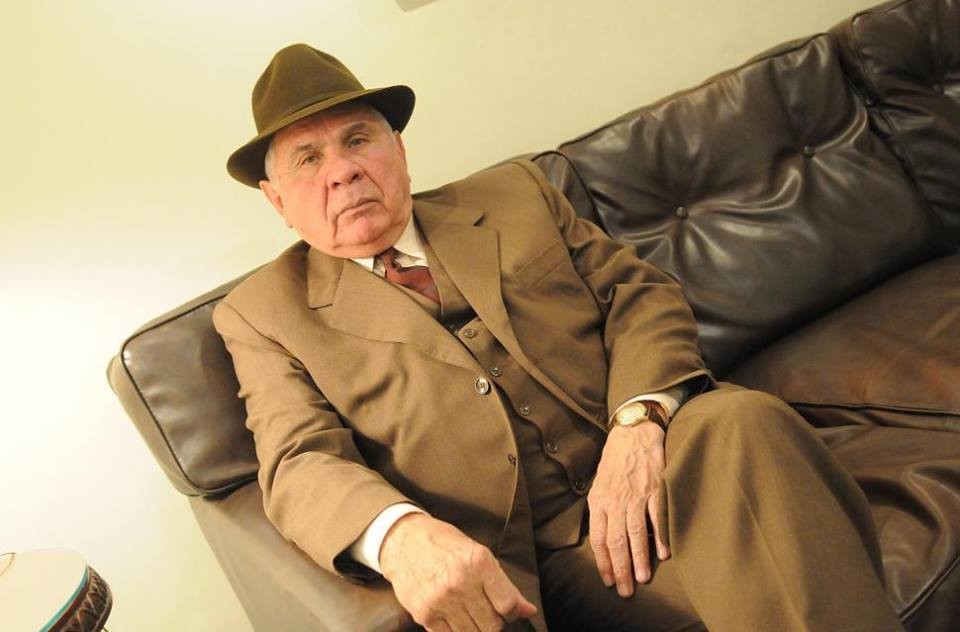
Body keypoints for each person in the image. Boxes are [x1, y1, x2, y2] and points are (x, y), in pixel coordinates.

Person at [214, 44, 903, 631]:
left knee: (746, 420)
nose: (341, 170)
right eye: (307, 159)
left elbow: (636, 294)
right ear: (277, 201)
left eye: (359, 139)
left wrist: (639, 421)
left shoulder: (514, 195)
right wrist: (400, 536)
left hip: (670, 463)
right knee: (786, 557)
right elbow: (299, 461)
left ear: (400, 149)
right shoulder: (264, 314)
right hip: (541, 558)